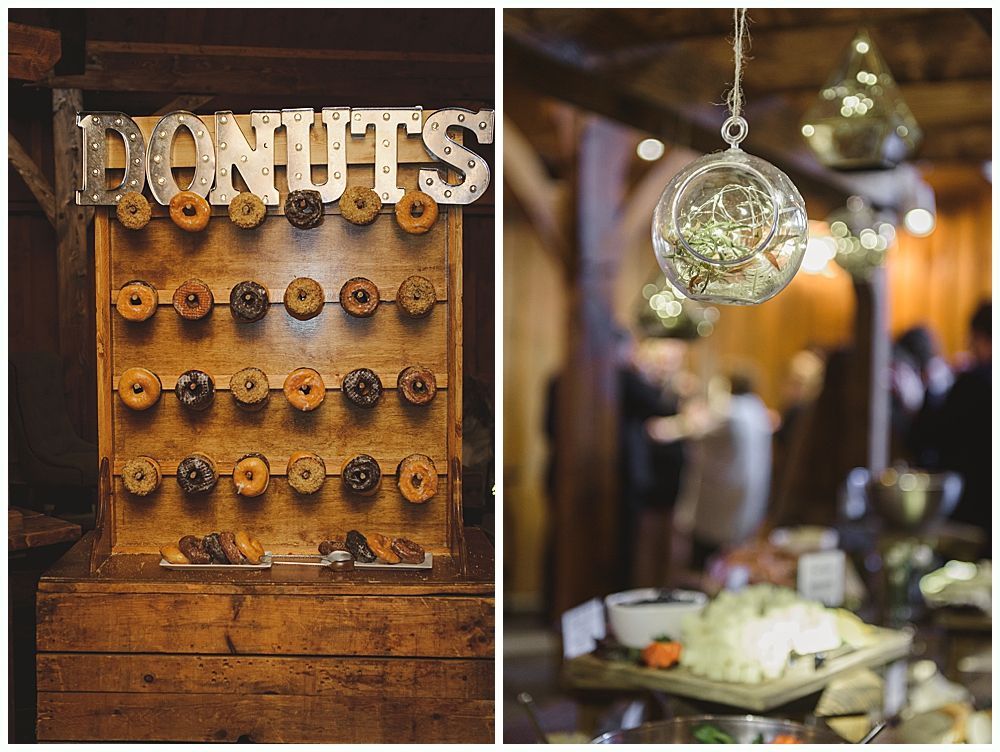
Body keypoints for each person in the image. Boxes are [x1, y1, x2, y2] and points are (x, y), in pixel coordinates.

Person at [681, 371, 773, 569]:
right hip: (747, 490)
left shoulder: (731, 413)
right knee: (735, 548)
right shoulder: (757, 408)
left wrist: (692, 414)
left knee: (709, 551)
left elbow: (697, 432)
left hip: (723, 494)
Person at [921, 302, 991, 550]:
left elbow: (928, 435)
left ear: (979, 338)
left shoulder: (973, 383)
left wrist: (934, 387)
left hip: (971, 507)